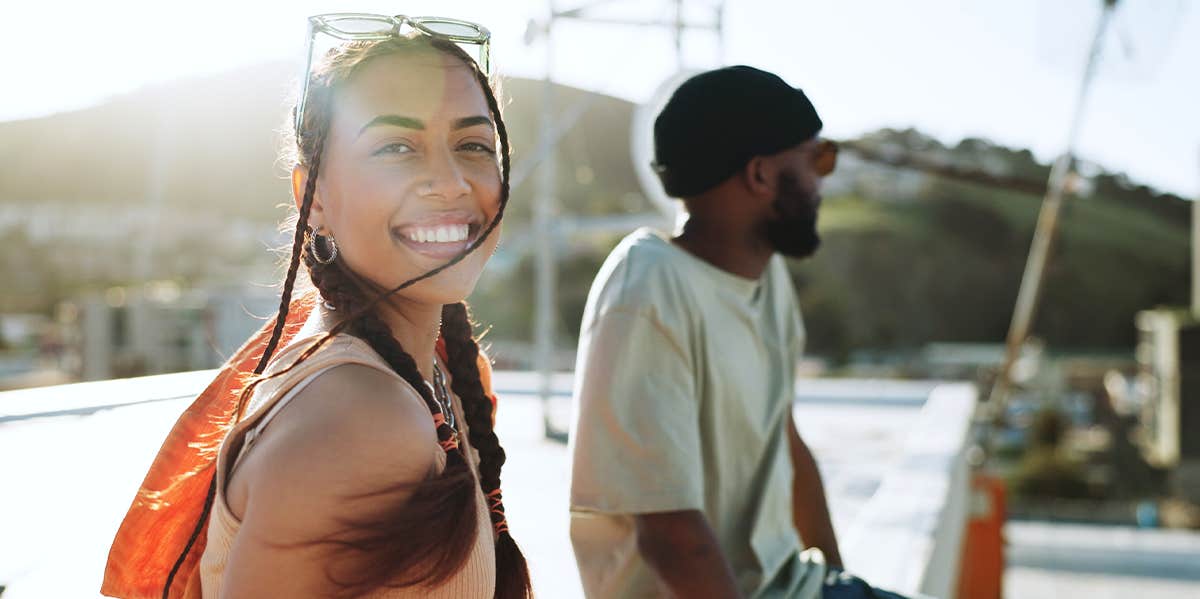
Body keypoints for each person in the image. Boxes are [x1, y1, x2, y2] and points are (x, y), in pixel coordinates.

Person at [102, 14, 531, 599]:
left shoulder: (425, 371)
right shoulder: (359, 417)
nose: (451, 182)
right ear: (314, 198)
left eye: (473, 144)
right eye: (397, 146)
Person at [568, 66, 910, 598]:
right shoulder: (647, 290)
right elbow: (670, 535)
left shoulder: (764, 275)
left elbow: (786, 444)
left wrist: (842, 583)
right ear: (759, 175)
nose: (824, 181)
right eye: (818, 158)